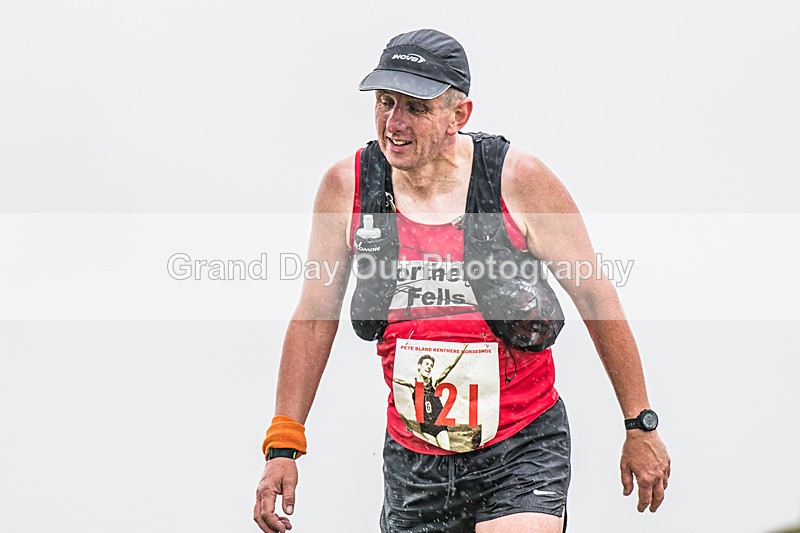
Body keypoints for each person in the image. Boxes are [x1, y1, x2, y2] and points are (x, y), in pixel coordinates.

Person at [254, 28, 670, 533]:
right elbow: (314, 316)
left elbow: (594, 293)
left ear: (459, 116)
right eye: (385, 102)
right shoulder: (347, 187)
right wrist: (283, 443)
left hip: (522, 444)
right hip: (416, 462)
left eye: (417, 107)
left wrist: (639, 423)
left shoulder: (517, 179)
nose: (394, 123)